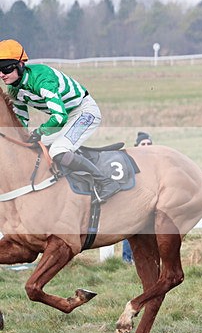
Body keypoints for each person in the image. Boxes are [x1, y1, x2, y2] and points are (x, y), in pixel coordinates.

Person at [0, 39, 119, 201]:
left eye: (5, 68)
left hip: (85, 112)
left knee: (58, 150)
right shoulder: (14, 88)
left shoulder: (42, 79)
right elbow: (22, 118)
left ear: (20, 65)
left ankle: (106, 182)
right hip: (66, 117)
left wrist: (40, 131)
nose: (1, 74)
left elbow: (59, 117)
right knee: (35, 146)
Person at [121, 132, 153, 263]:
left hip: (150, 200)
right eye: (143, 144)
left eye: (148, 144)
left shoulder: (154, 162)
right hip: (134, 200)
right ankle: (128, 259)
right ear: (137, 145)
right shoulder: (130, 161)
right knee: (131, 230)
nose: (146, 146)